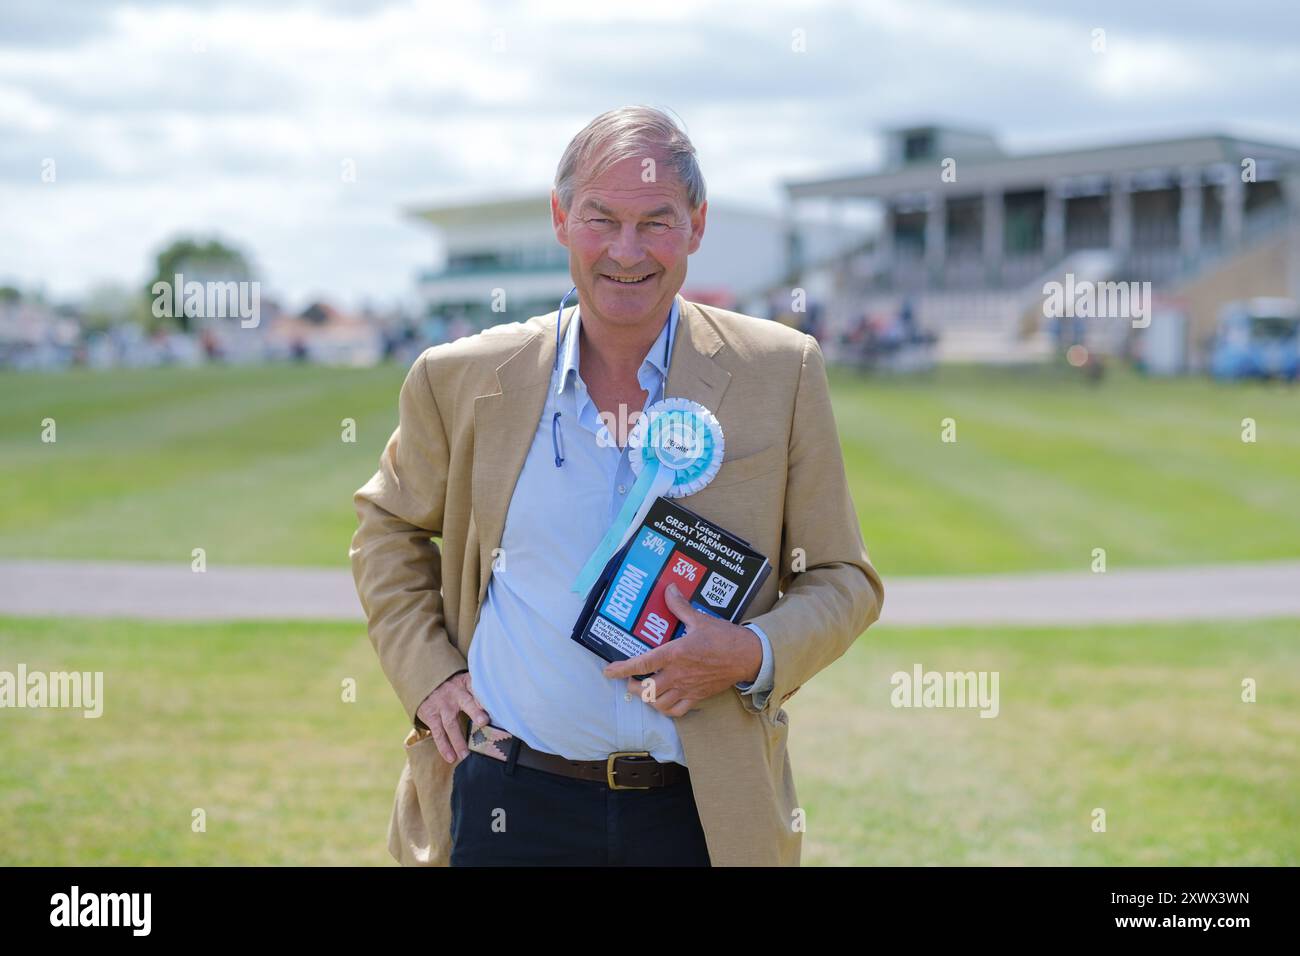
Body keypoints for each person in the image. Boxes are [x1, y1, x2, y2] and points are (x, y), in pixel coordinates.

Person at [350, 105, 883, 866]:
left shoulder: (781, 371)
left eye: (656, 222)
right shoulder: (460, 377)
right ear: (562, 219)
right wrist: (431, 674)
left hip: (701, 812)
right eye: (602, 219)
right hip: (508, 799)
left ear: (696, 226)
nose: (627, 251)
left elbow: (843, 579)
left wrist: (749, 651)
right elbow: (387, 528)